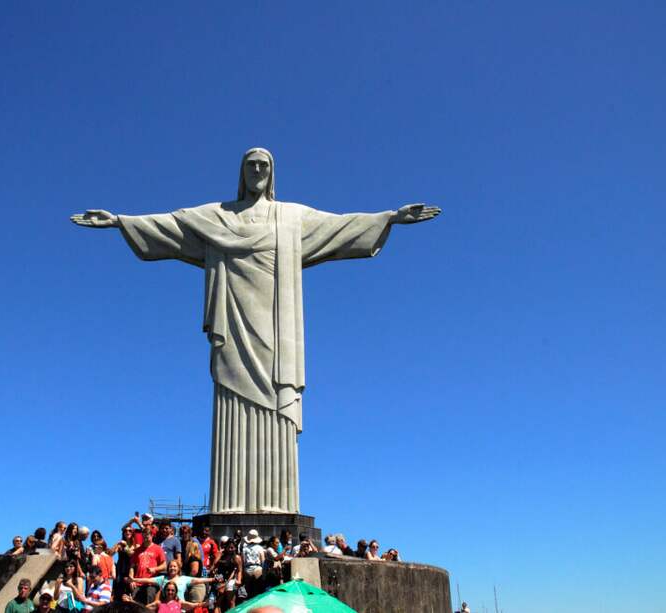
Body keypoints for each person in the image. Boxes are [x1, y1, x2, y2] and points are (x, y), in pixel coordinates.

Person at [70, 148, 441, 515]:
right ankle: (229, 502)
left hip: (277, 326)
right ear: (242, 172)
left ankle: (278, 505)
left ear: (273, 172)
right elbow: (172, 224)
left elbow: (340, 225)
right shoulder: (217, 216)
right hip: (232, 321)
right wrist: (120, 221)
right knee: (232, 397)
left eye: (264, 165)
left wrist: (389, 217)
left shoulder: (291, 217)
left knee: (276, 397)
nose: (258, 170)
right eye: (251, 165)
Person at [130, 560, 215, 603]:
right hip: (165, 608)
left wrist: (212, 579)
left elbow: (198, 580)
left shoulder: (184, 579)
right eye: (170, 566)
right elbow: (148, 580)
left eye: (174, 566)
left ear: (178, 569)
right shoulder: (163, 578)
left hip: (180, 608)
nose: (172, 568)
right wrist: (134, 579)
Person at [130, 527, 167, 605]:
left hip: (151, 583)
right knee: (134, 606)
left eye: (147, 536)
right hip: (138, 583)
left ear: (152, 535)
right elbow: (132, 566)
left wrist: (155, 569)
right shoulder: (138, 550)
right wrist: (131, 579)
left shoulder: (158, 548)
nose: (145, 538)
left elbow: (164, 565)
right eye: (144, 536)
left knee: (149, 606)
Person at [210, 539, 242, 611]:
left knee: (231, 602)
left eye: (232, 547)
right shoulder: (221, 555)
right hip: (220, 579)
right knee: (217, 603)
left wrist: (239, 580)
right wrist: (218, 556)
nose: (230, 549)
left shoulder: (236, 557)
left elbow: (239, 570)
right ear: (226, 547)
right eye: (229, 547)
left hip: (231, 580)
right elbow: (214, 565)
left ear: (235, 548)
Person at [241, 530, 266, 598]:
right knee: (258, 590)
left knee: (249, 591)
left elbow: (243, 561)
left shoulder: (244, 548)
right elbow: (263, 561)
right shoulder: (260, 548)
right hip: (258, 568)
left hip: (247, 569)